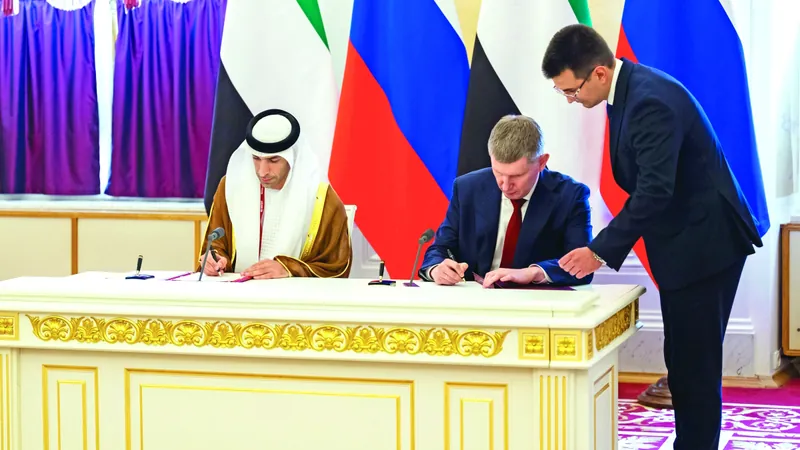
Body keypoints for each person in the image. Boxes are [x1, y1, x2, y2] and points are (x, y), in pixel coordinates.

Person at [541, 24, 763, 449]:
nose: (570, 100)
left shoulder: (649, 101)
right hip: (686, 241)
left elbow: (654, 191)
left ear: (599, 73)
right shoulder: (627, 90)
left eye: (571, 90)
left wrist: (598, 252)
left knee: (694, 366)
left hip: (706, 245)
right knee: (682, 358)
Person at [419, 114, 593, 287]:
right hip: (475, 296)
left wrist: (534, 272)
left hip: (534, 299)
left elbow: (582, 266)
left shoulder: (571, 195)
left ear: (541, 162)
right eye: (498, 172)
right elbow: (441, 248)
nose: (505, 185)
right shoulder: (467, 188)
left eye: (517, 175)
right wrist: (436, 269)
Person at [199, 109, 352, 279]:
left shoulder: (321, 198)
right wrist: (215, 260)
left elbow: (335, 266)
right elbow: (217, 245)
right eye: (256, 158)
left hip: (294, 294)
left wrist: (289, 269)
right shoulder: (231, 187)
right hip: (238, 290)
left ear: (292, 158)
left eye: (273, 160)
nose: (262, 171)